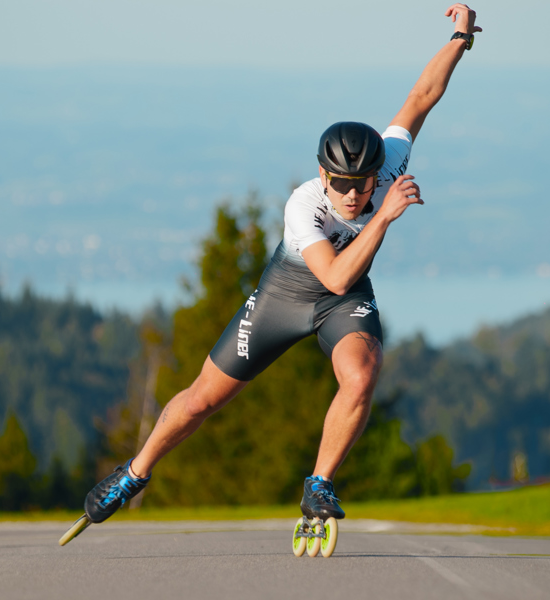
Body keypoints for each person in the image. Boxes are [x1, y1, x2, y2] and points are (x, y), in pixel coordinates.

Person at [84, 4, 481, 524]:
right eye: (342, 185)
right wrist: (383, 219)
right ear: (323, 174)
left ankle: (319, 485)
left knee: (361, 376)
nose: (355, 196)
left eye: (365, 185)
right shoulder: (303, 206)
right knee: (204, 399)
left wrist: (460, 36)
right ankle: (134, 473)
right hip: (287, 295)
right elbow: (332, 274)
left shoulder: (386, 165)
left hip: (344, 301)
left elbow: (421, 97)